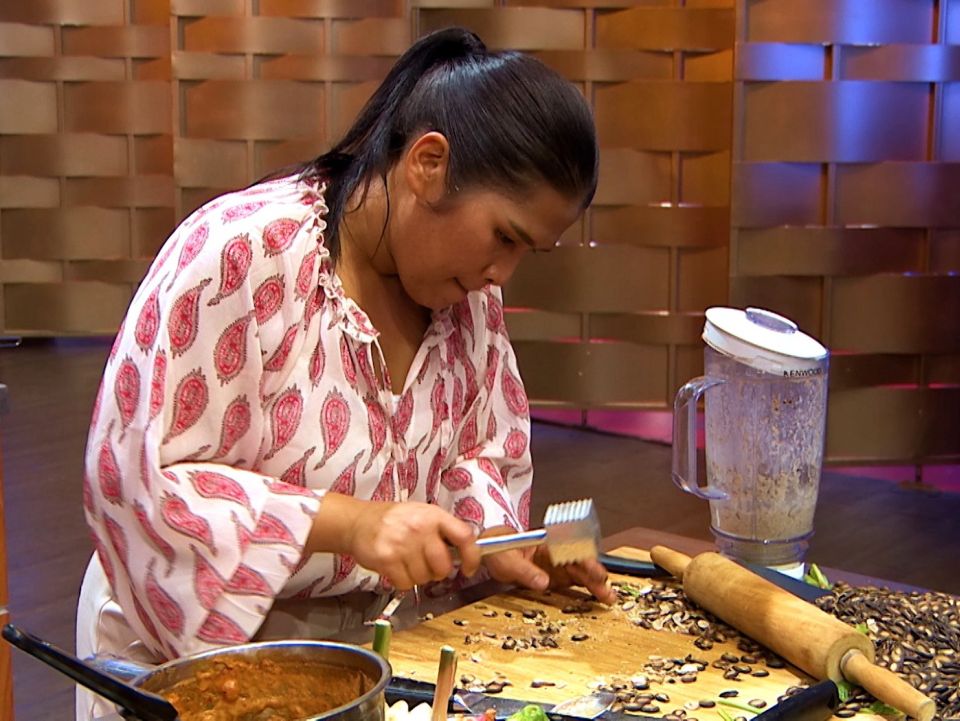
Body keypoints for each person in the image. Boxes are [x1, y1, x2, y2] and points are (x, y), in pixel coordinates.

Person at [76, 26, 613, 719]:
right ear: (427, 163)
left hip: (380, 657)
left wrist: (494, 545)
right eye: (503, 236)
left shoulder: (470, 300)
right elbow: (137, 477)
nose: (501, 273)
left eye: (525, 252)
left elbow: (479, 455)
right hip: (203, 660)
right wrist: (352, 525)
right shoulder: (241, 254)